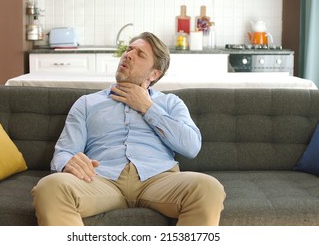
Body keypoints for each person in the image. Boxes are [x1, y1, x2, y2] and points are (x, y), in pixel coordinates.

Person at [31, 32, 226, 226]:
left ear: (154, 74)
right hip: (100, 180)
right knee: (49, 187)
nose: (128, 54)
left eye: (140, 54)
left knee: (209, 188)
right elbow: (64, 152)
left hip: (158, 180)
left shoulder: (170, 103)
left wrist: (147, 107)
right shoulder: (87, 103)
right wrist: (68, 163)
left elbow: (191, 146)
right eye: (129, 49)